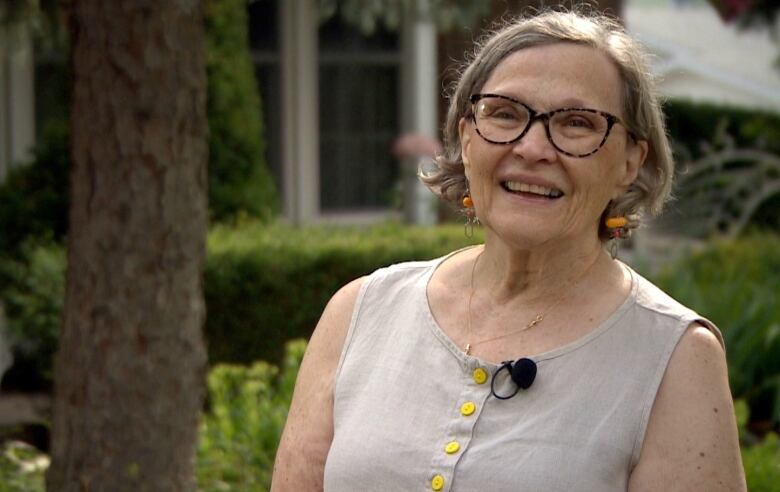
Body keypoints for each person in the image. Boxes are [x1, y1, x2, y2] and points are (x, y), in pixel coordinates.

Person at [272, 10, 746, 491]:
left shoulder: (675, 358)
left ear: (630, 161)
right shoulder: (360, 314)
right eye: (505, 113)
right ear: (465, 137)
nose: (533, 148)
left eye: (577, 123)